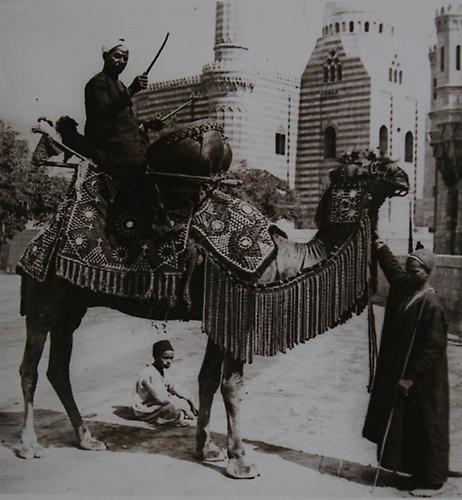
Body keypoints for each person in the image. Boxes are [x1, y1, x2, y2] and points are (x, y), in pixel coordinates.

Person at [363, 239, 450, 493]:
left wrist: (410, 378)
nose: (410, 275)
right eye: (408, 270)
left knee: (428, 426)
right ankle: (416, 474)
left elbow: (433, 349)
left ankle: (433, 481)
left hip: (427, 381)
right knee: (412, 426)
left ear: (427, 273)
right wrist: (379, 246)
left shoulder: (431, 304)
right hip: (412, 380)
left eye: (416, 272)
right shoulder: (407, 291)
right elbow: (392, 269)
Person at [84, 38, 162, 178]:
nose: (122, 61)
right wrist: (132, 90)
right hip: (106, 147)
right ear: (105, 56)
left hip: (122, 145)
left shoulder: (121, 86)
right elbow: (103, 113)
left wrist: (146, 123)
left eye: (126, 58)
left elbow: (123, 120)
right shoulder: (97, 83)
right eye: (117, 56)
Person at [132, 340, 198, 426]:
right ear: (156, 357)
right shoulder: (149, 374)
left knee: (183, 402)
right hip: (146, 408)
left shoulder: (162, 371)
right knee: (173, 407)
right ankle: (176, 418)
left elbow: (174, 387)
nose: (169, 361)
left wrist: (190, 399)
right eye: (165, 358)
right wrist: (184, 409)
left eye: (171, 358)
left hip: (156, 403)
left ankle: (180, 414)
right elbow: (162, 398)